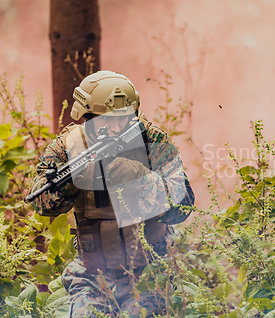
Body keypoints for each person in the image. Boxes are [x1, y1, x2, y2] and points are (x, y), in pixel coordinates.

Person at [29, 71, 194, 317]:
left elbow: (184, 206)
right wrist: (72, 183)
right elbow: (41, 202)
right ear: (86, 118)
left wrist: (138, 177)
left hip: (151, 271)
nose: (116, 127)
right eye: (106, 120)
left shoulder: (151, 140)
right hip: (93, 275)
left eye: (123, 119)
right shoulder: (68, 146)